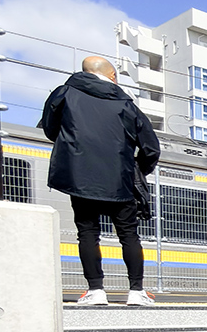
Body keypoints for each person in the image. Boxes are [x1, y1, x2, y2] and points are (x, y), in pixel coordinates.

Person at [40, 56, 161, 306]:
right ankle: (136, 292)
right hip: (120, 180)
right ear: (113, 76)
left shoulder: (64, 93)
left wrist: (76, 153)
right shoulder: (126, 104)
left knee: (87, 233)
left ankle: (96, 291)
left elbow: (52, 129)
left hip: (81, 178)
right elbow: (151, 147)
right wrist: (137, 169)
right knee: (129, 235)